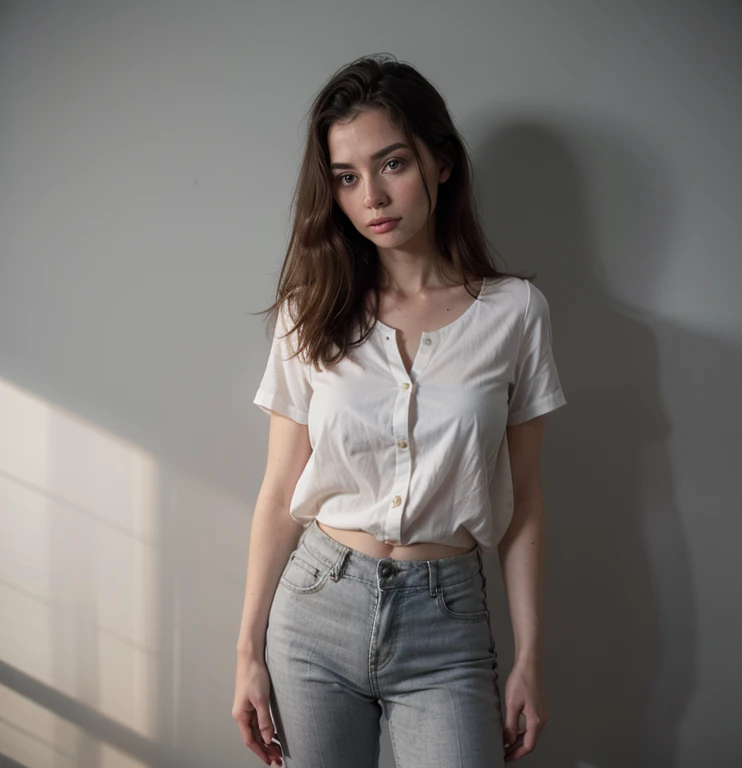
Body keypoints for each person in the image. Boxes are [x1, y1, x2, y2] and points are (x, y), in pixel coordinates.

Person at [233, 53, 567, 767]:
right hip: (316, 609)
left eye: (392, 164)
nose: (372, 197)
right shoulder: (311, 311)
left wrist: (530, 658)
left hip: (446, 625)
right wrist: (246, 651)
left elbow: (526, 502)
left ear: (441, 162)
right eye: (347, 178)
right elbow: (276, 491)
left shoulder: (515, 314)